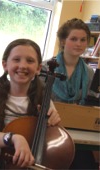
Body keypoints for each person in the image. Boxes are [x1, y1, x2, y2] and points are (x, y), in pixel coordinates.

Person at [0, 38, 61, 170]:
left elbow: (55, 141)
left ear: (38, 68)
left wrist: (56, 123)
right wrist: (15, 138)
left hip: (31, 165)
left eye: (30, 61)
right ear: (5, 65)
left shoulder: (44, 100)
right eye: (16, 59)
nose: (23, 65)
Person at [42, 18, 98, 169]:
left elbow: (91, 103)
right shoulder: (46, 67)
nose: (79, 44)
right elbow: (37, 99)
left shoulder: (90, 72)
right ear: (62, 41)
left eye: (83, 40)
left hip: (78, 130)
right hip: (49, 129)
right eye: (73, 39)